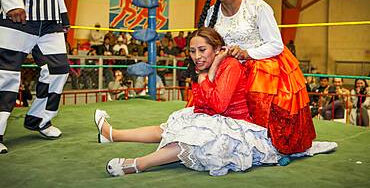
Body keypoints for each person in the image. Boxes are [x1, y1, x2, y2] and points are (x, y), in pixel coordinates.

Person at [94, 28, 336, 177]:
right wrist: (206, 76)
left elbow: (219, 104)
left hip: (238, 127)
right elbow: (202, 103)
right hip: (215, 118)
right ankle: (112, 134)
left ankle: (138, 164)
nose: (197, 56)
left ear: (217, 50)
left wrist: (208, 75)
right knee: (170, 127)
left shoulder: (228, 65)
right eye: (192, 51)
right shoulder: (208, 68)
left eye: (203, 50)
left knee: (191, 138)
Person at [197, 0, 316, 155]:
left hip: (263, 65)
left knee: (258, 92)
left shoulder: (258, 7)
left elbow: (276, 44)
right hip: (229, 67)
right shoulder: (211, 14)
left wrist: (247, 54)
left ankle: (261, 144)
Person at [0, 0, 70, 153]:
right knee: (6, 75)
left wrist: (63, 14)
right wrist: (11, 2)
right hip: (18, 14)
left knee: (59, 70)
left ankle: (39, 120)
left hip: (49, 18)